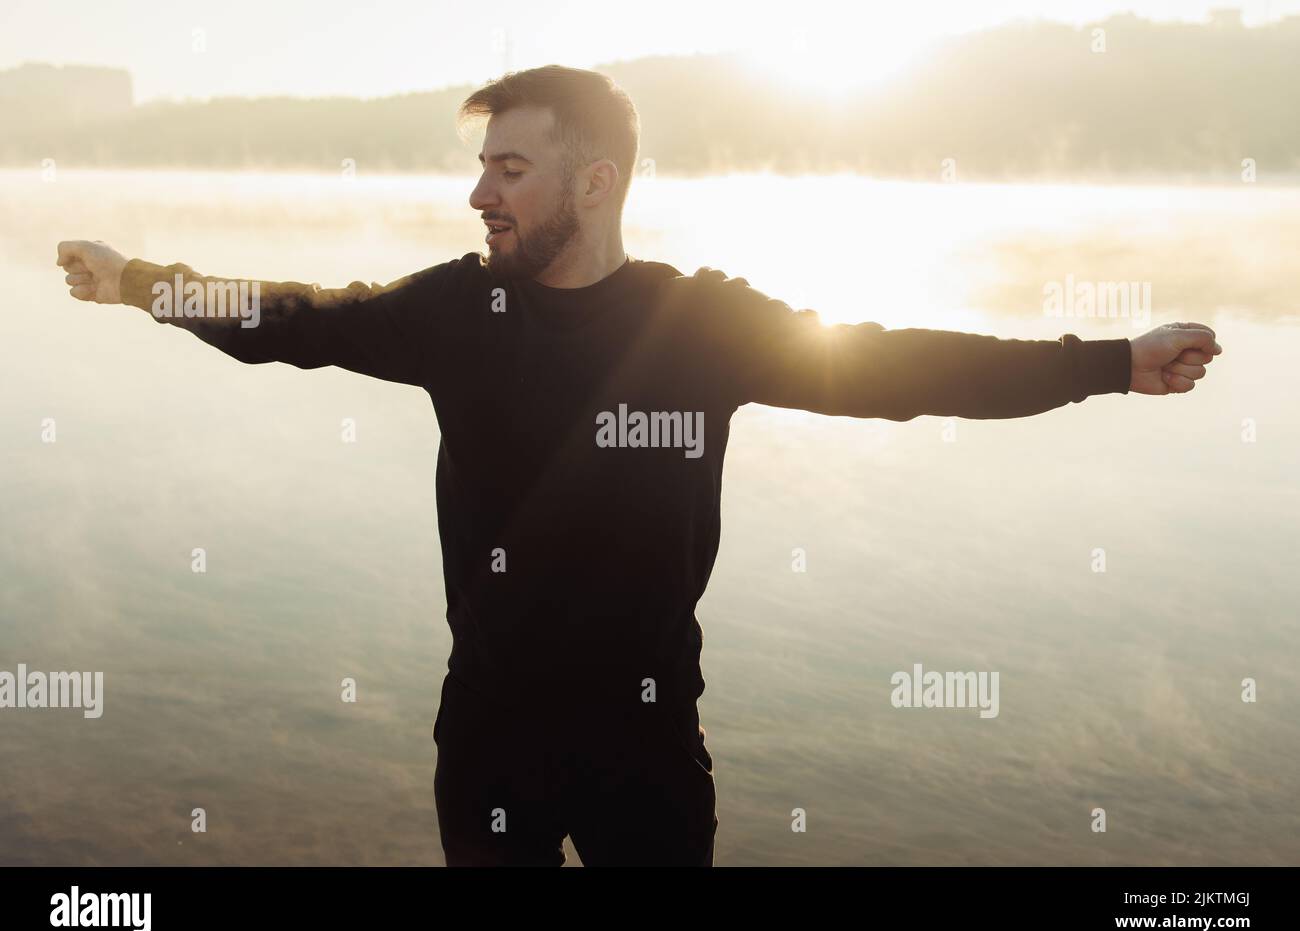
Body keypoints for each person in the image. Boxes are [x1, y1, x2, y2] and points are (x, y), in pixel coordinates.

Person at [55, 65, 1222, 867]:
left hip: (648, 745)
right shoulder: (461, 311)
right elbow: (297, 317)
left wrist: (1111, 359)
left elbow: (895, 367)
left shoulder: (697, 323)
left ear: (595, 182)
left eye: (510, 168)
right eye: (481, 168)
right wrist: (141, 281)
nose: (478, 193)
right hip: (490, 735)